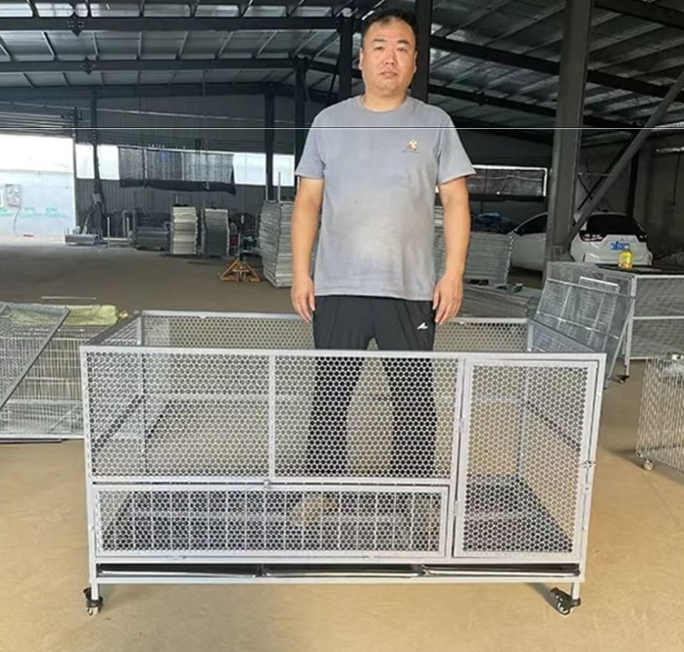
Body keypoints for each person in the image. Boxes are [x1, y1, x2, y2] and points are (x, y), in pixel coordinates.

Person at [288, 7, 475, 524]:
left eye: (401, 48)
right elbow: (307, 203)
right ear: (361, 59)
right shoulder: (330, 123)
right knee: (331, 396)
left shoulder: (435, 125)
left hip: (411, 290)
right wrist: (301, 273)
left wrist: (453, 273)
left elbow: (456, 202)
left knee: (414, 399)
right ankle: (322, 490)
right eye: (379, 47)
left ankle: (413, 493)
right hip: (339, 286)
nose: (390, 58)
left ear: (415, 62)